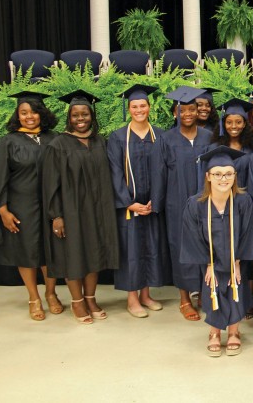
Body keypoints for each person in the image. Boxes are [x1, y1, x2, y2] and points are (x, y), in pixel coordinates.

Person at [41, 90, 118, 325]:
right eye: (76, 115)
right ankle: (77, 302)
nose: (81, 118)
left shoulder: (99, 141)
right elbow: (50, 185)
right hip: (71, 211)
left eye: (85, 113)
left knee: (94, 253)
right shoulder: (58, 144)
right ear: (69, 117)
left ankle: (91, 298)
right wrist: (56, 216)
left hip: (97, 209)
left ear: (91, 116)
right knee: (73, 255)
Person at [0, 91, 62, 321]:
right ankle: (34, 297)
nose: (30, 117)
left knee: (51, 251)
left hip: (51, 204)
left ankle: (51, 293)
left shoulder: (55, 139)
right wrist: (2, 209)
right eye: (24, 112)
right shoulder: (7, 142)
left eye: (34, 112)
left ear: (42, 114)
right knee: (26, 251)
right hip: (21, 205)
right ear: (17, 115)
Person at [181, 146, 253, 356]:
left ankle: (234, 331)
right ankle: (214, 332)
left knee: (235, 287)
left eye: (228, 174)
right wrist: (209, 265)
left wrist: (237, 262)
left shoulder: (243, 201)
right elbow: (193, 238)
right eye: (217, 174)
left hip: (235, 259)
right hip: (210, 261)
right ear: (208, 176)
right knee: (212, 287)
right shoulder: (196, 205)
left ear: (235, 175)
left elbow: (248, 233)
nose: (223, 179)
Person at [107, 85, 169, 318]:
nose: (139, 110)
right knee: (131, 250)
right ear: (129, 109)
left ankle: (146, 295)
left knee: (151, 248)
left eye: (143, 105)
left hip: (152, 205)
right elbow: (114, 172)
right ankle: (132, 298)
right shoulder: (118, 137)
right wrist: (127, 202)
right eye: (134, 106)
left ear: (149, 108)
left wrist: (157, 200)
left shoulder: (160, 135)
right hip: (130, 206)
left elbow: (165, 171)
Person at [151, 86, 211, 322]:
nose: (187, 113)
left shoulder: (208, 137)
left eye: (192, 109)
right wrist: (158, 204)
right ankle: (185, 298)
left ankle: (203, 295)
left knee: (206, 246)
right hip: (176, 203)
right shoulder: (165, 139)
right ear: (175, 113)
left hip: (205, 201)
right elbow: (158, 174)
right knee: (180, 248)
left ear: (199, 111)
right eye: (182, 109)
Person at [211, 98, 253, 189]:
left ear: (244, 124)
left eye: (238, 122)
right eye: (229, 122)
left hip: (246, 200)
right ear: (224, 124)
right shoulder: (214, 149)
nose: (233, 126)